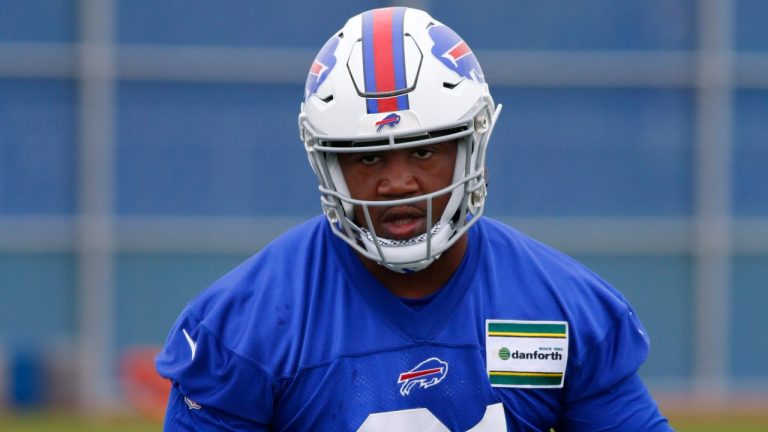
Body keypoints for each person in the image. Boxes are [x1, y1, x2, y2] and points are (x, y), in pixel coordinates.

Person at [156, 7, 672, 431]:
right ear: (327, 162)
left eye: (424, 153)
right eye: (367, 156)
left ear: (473, 148)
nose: (397, 183)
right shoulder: (250, 322)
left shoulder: (561, 307)